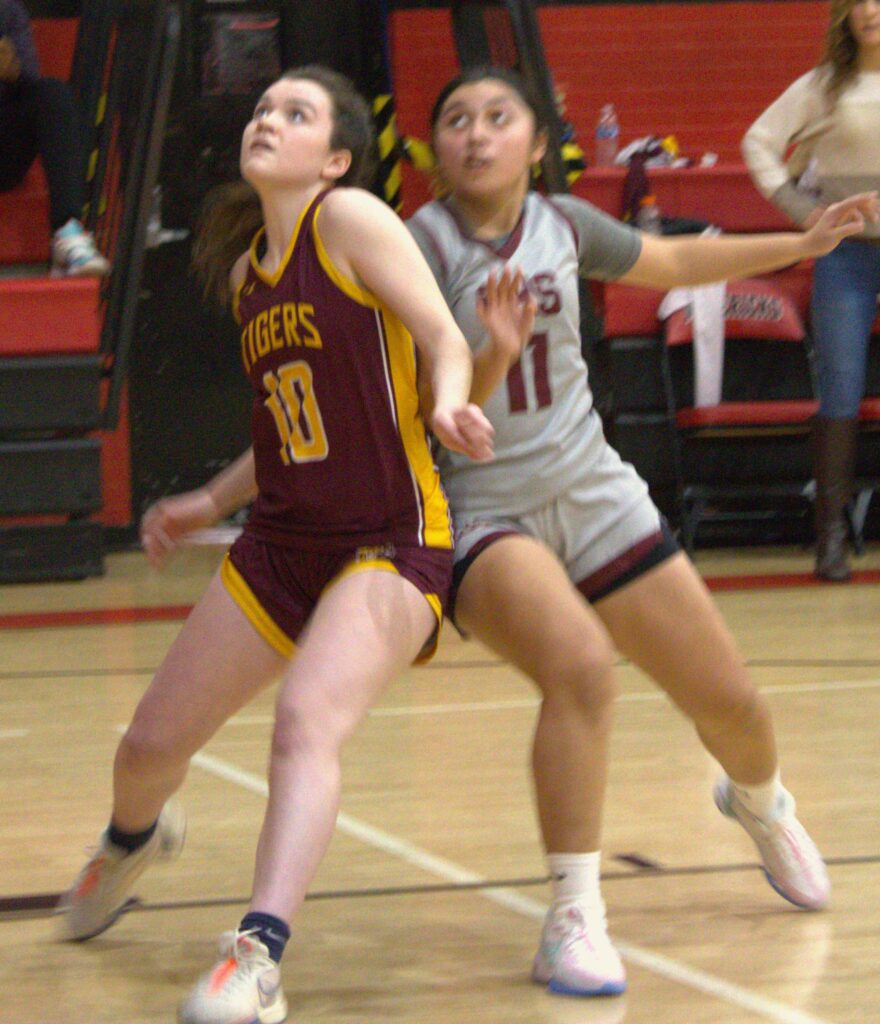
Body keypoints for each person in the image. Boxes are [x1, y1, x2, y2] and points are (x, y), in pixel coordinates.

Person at [56, 65, 534, 1024]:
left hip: (391, 540)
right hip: (284, 537)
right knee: (149, 745)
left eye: (297, 113)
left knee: (306, 722)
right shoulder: (248, 278)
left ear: (337, 158)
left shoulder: (351, 220)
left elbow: (441, 334)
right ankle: (130, 841)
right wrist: (206, 499)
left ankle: (257, 959)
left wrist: (448, 396)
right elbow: (285, 426)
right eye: (265, 108)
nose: (270, 120)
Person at [405, 66, 880, 997]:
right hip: (482, 505)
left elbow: (668, 265)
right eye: (456, 121)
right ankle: (573, 913)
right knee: (580, 667)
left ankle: (759, 802)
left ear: (537, 143)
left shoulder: (564, 225)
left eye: (498, 118)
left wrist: (805, 240)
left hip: (589, 488)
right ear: (437, 152)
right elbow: (427, 413)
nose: (475, 135)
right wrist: (493, 354)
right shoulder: (416, 248)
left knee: (733, 702)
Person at [743, 0, 880, 580]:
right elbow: (757, 142)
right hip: (845, 258)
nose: (870, 10)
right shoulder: (822, 86)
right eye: (857, 1)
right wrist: (803, 212)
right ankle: (830, 541)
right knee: (840, 392)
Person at [0, 0, 109, 276]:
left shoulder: (7, 11)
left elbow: (28, 83)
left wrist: (13, 72)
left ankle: (67, 233)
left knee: (52, 93)